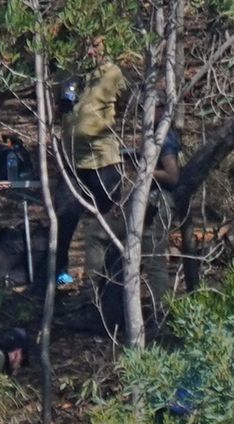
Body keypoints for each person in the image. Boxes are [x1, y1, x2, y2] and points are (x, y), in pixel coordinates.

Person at [83, 103, 181, 326]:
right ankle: (94, 297)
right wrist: (125, 198)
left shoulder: (164, 138)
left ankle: (162, 316)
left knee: (153, 261)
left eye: (151, 107)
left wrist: (145, 170)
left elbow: (172, 176)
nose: (144, 111)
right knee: (98, 234)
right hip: (141, 200)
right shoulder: (153, 136)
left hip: (157, 204)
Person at [54, 37, 127, 285]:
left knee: (108, 224)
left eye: (95, 45)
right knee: (62, 220)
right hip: (72, 163)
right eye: (84, 44)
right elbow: (60, 105)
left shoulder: (113, 73)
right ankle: (56, 275)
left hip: (102, 161)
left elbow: (128, 105)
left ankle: (109, 281)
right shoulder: (68, 71)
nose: (89, 50)